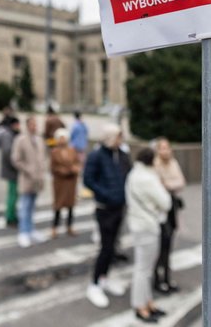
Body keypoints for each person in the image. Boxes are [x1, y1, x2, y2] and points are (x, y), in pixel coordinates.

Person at [84, 123, 131, 309]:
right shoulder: (96, 156)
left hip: (120, 207)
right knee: (105, 248)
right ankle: (95, 283)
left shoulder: (122, 155)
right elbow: (88, 180)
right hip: (104, 208)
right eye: (118, 136)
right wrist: (106, 194)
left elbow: (129, 175)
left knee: (113, 247)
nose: (121, 140)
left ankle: (105, 277)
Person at [127, 147, 171, 323]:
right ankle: (140, 306)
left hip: (137, 224)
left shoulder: (134, 174)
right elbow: (166, 202)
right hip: (148, 226)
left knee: (143, 268)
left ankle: (148, 302)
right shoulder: (148, 178)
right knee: (143, 269)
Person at [152, 137, 186, 295]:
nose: (165, 151)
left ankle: (166, 277)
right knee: (159, 246)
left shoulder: (173, 163)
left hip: (171, 208)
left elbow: (181, 182)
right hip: (159, 210)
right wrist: (171, 184)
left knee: (168, 244)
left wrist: (169, 184)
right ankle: (157, 279)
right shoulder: (155, 165)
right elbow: (158, 186)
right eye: (162, 148)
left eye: (167, 147)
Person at [11, 115, 47, 248]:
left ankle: (31, 230)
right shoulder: (21, 140)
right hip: (27, 178)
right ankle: (23, 232)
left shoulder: (39, 139)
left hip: (37, 179)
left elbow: (42, 158)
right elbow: (16, 159)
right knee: (25, 206)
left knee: (32, 206)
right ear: (27, 126)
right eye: (32, 124)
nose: (35, 126)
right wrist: (28, 169)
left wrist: (41, 171)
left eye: (35, 124)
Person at [50, 128, 81, 238]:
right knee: (58, 205)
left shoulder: (72, 150)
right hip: (60, 182)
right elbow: (53, 167)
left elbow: (78, 163)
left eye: (64, 138)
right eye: (60, 138)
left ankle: (69, 226)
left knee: (71, 205)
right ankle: (54, 228)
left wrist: (75, 168)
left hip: (71, 182)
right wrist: (62, 170)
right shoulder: (54, 152)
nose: (62, 140)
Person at [0, 116, 21, 227]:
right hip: (11, 170)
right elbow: (8, 153)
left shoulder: (10, 134)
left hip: (11, 169)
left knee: (13, 194)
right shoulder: (8, 135)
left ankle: (12, 215)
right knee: (12, 195)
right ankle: (10, 217)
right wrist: (17, 164)